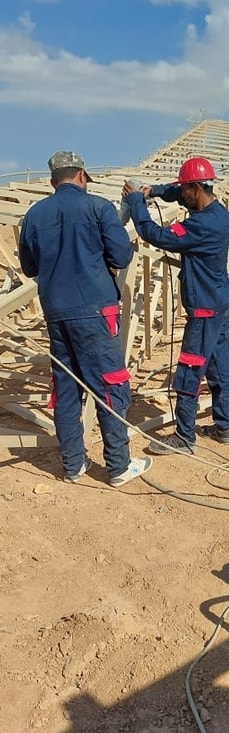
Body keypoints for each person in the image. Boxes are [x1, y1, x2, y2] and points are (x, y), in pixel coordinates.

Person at [18, 151, 153, 487]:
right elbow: (121, 255)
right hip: (95, 311)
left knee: (66, 388)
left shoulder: (34, 215)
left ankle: (72, 465)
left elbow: (30, 268)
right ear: (81, 176)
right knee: (110, 386)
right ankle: (119, 466)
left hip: (57, 314)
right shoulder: (98, 207)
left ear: (53, 180)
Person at [121, 156, 229, 455]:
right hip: (219, 303)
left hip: (203, 308)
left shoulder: (201, 226)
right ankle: (224, 426)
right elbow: (177, 194)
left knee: (189, 371)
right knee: (219, 368)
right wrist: (155, 190)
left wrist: (136, 203)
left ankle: (184, 437)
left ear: (196, 188)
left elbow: (154, 235)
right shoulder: (219, 213)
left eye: (185, 189)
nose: (181, 193)